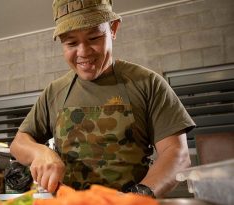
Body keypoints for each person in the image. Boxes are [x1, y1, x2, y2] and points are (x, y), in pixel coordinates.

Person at [10, 0, 196, 198]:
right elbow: (19, 143)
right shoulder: (54, 91)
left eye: (93, 38)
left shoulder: (147, 84)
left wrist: (137, 196)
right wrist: (39, 152)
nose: (83, 52)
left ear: (113, 29)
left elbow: (176, 154)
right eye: (71, 43)